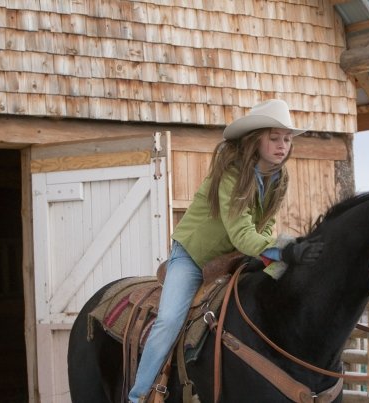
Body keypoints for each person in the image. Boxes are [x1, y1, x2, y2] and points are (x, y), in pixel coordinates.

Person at [128, 99, 324, 402]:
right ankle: (138, 396)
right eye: (274, 138)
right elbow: (242, 232)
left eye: (287, 139)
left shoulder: (279, 177)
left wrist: (281, 260)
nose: (282, 145)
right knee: (168, 320)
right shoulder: (231, 175)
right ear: (254, 140)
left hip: (236, 255)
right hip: (195, 255)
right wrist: (283, 250)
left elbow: (267, 225)